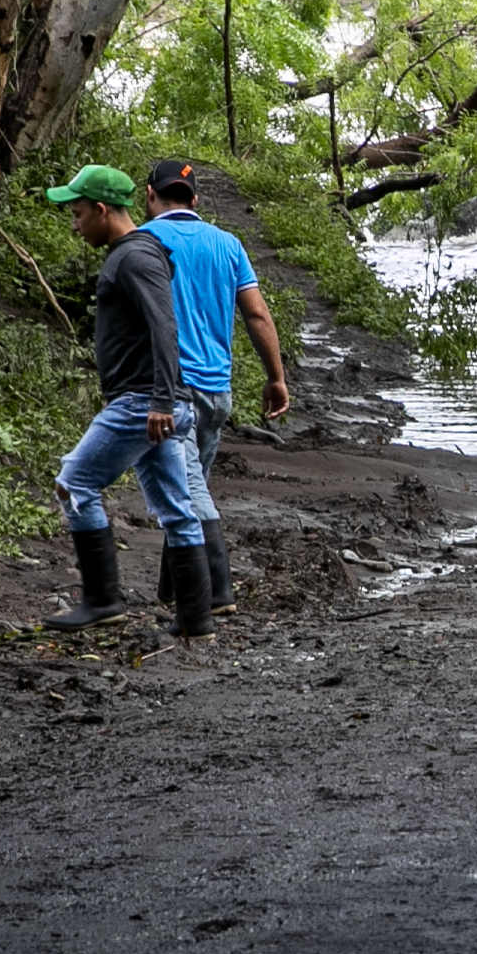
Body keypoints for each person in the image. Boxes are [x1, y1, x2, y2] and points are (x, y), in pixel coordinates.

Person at [38, 165, 212, 639]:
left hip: (143, 403)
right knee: (177, 508)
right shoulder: (138, 252)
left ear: (101, 209)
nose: (74, 225)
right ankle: (196, 621)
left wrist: (159, 399)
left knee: (73, 484)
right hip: (156, 403)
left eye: (77, 214)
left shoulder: (134, 257)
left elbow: (164, 326)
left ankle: (101, 600)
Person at [140, 160, 291, 615]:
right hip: (216, 391)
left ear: (150, 195)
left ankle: (218, 590)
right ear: (195, 199)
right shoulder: (228, 245)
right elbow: (257, 315)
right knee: (187, 483)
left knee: (187, 490)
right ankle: (171, 589)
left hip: (172, 389)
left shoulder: (145, 243)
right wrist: (276, 378)